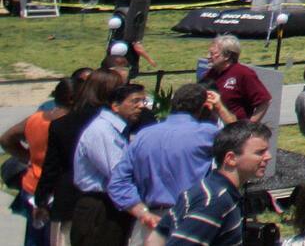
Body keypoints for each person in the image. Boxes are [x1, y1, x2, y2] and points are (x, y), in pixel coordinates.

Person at [108, 85, 221, 241]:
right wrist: (221, 110)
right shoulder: (206, 134)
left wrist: (142, 213)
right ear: (205, 107)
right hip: (191, 220)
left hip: (149, 222)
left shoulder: (143, 135)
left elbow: (118, 182)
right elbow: (241, 142)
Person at [36, 70, 120, 246]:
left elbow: (51, 167)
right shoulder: (114, 123)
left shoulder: (62, 124)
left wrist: (41, 199)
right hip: (108, 202)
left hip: (69, 198)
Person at [155, 121, 273, 246]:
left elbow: (155, 238)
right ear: (231, 159)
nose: (268, 156)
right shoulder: (215, 201)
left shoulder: (211, 190)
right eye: (260, 152)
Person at [69, 83, 148, 246]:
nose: (141, 106)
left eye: (143, 101)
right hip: (99, 209)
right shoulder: (102, 131)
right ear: (115, 106)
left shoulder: (118, 130)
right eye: (135, 101)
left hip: (113, 206)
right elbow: (119, 173)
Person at [4, 77, 73, 246]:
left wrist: (28, 156)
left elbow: (6, 139)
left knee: (34, 238)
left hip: (33, 187)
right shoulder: (71, 124)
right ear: (72, 99)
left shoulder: (36, 119)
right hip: (56, 192)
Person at [199, 40, 269, 126]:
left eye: (212, 53)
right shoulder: (211, 73)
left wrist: (250, 127)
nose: (208, 57)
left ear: (227, 56)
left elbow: (264, 101)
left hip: (235, 130)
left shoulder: (243, 73)